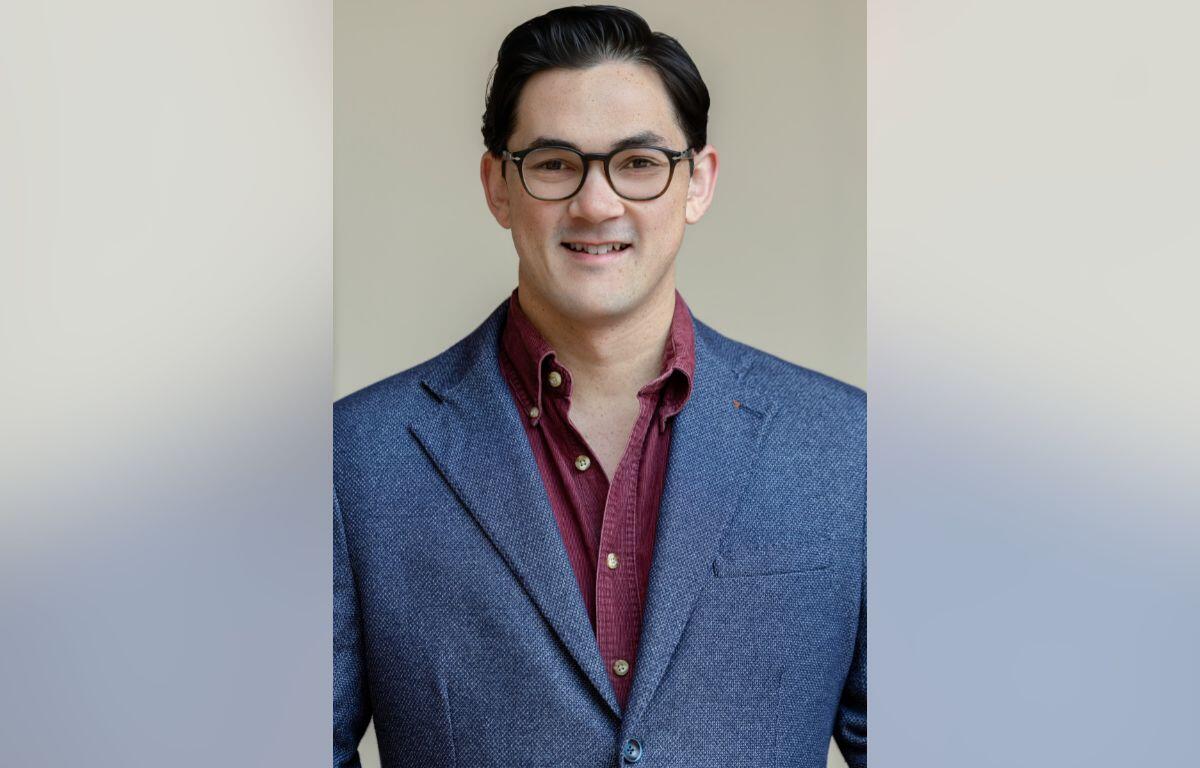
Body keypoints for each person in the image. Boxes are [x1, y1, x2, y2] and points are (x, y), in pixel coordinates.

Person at [333, 6, 865, 767]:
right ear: (497, 187)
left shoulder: (848, 447)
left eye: (640, 163)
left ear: (698, 182)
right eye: (554, 163)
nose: (596, 203)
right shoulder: (354, 459)